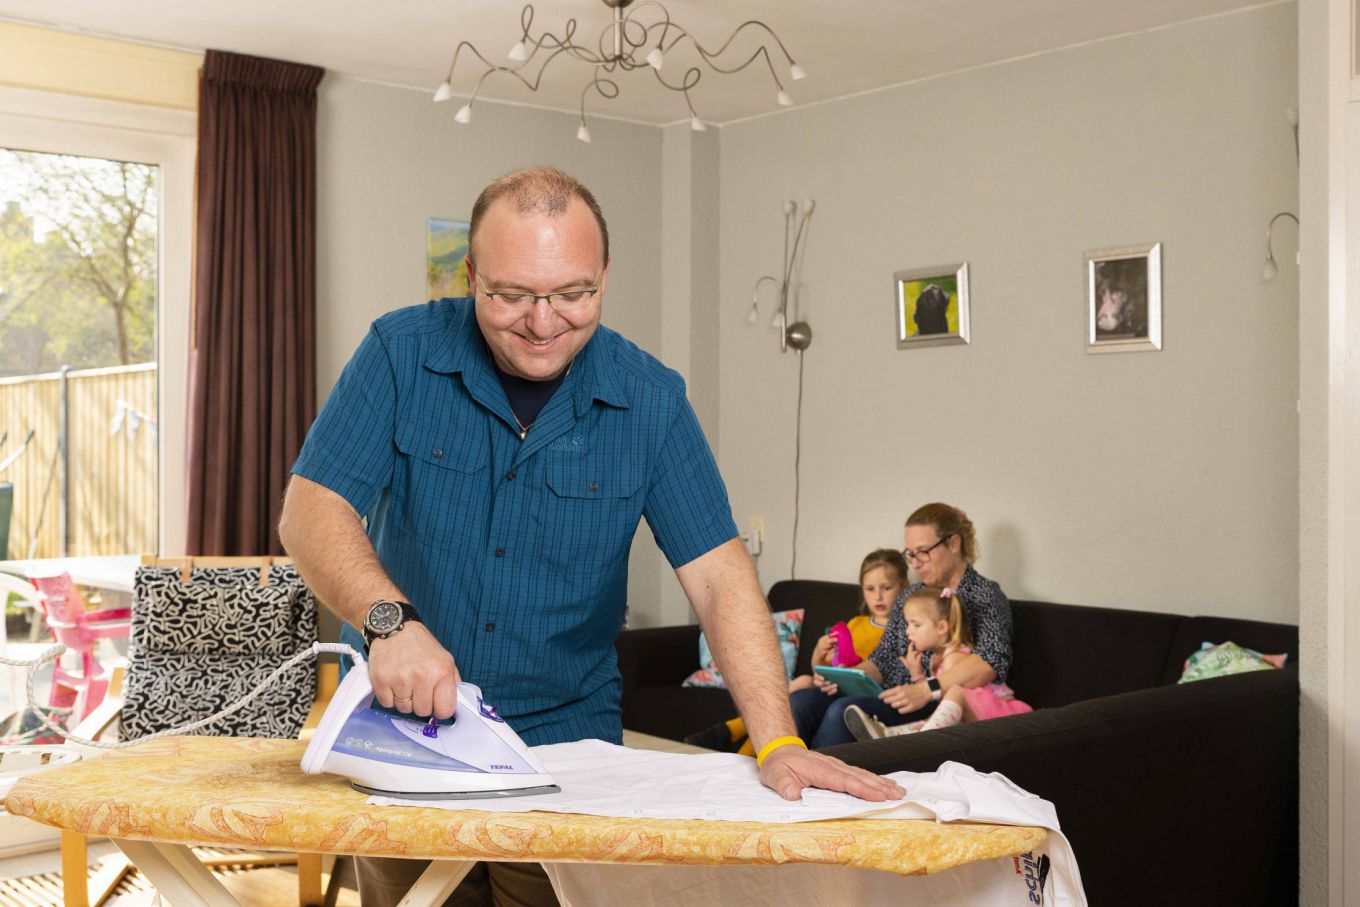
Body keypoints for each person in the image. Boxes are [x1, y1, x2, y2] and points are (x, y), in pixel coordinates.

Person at [277, 166, 901, 907]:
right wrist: (391, 624)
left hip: (570, 749)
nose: (544, 323)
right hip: (407, 736)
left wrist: (780, 742)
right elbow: (311, 513)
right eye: (511, 295)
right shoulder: (398, 354)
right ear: (470, 276)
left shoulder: (651, 400)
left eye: (574, 294)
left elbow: (718, 575)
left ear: (605, 274)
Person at [789, 502, 1013, 748]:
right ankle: (782, 772)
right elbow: (882, 660)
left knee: (842, 710)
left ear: (954, 543)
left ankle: (814, 780)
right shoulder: (911, 596)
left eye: (923, 551)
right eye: (910, 553)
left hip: (935, 704)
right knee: (802, 701)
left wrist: (926, 689)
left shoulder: (985, 595)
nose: (914, 563)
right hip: (890, 694)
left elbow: (990, 661)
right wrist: (843, 678)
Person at [688, 548, 908, 754]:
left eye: (886, 588)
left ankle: (735, 732)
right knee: (804, 681)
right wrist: (820, 656)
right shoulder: (855, 624)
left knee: (802, 682)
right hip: (835, 687)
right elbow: (826, 668)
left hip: (869, 692)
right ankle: (743, 754)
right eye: (870, 589)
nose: (878, 596)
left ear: (904, 586)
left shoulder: (905, 628)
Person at [843, 586, 1031, 740]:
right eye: (908, 624)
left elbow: (948, 701)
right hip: (977, 716)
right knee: (928, 719)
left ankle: (923, 742)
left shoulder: (955, 657)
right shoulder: (938, 657)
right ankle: (889, 734)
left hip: (1001, 716)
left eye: (916, 625)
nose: (908, 632)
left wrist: (921, 681)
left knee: (954, 694)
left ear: (942, 627)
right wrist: (917, 675)